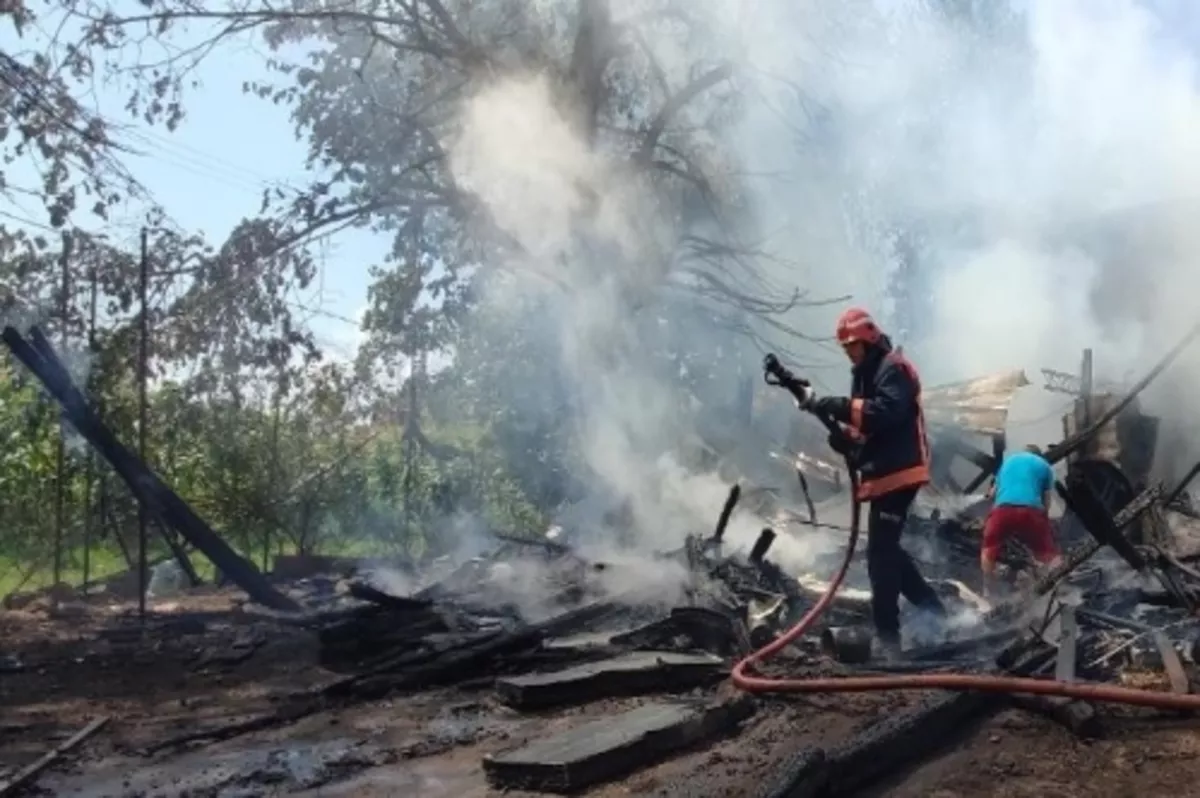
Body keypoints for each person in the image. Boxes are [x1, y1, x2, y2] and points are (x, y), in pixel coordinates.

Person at [801, 307, 947, 657]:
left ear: (868, 339)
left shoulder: (892, 368)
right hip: (882, 474)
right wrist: (844, 438)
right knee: (887, 551)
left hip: (900, 471)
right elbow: (863, 427)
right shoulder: (866, 374)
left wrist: (838, 406)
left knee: (880, 556)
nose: (849, 352)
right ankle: (932, 610)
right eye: (845, 347)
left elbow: (885, 413)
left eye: (852, 345)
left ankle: (888, 637)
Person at [981, 444, 1062, 597]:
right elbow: (1047, 501)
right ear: (1039, 455)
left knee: (989, 548)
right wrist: (1043, 523)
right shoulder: (1044, 466)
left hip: (1003, 510)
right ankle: (1057, 586)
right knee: (1048, 553)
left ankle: (988, 590)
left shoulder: (1008, 462)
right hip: (1031, 511)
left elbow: (991, 495)